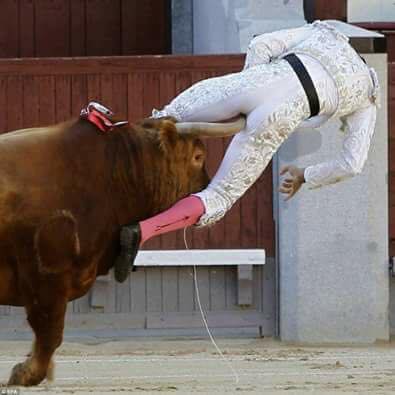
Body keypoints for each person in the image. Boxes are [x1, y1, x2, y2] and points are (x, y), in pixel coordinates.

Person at [114, 20, 380, 283]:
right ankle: (142, 231)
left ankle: (110, 142)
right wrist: (305, 175)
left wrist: (247, 91)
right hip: (279, 116)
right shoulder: (368, 95)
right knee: (220, 195)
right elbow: (352, 163)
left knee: (166, 117)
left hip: (252, 82)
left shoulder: (322, 34)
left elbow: (260, 44)